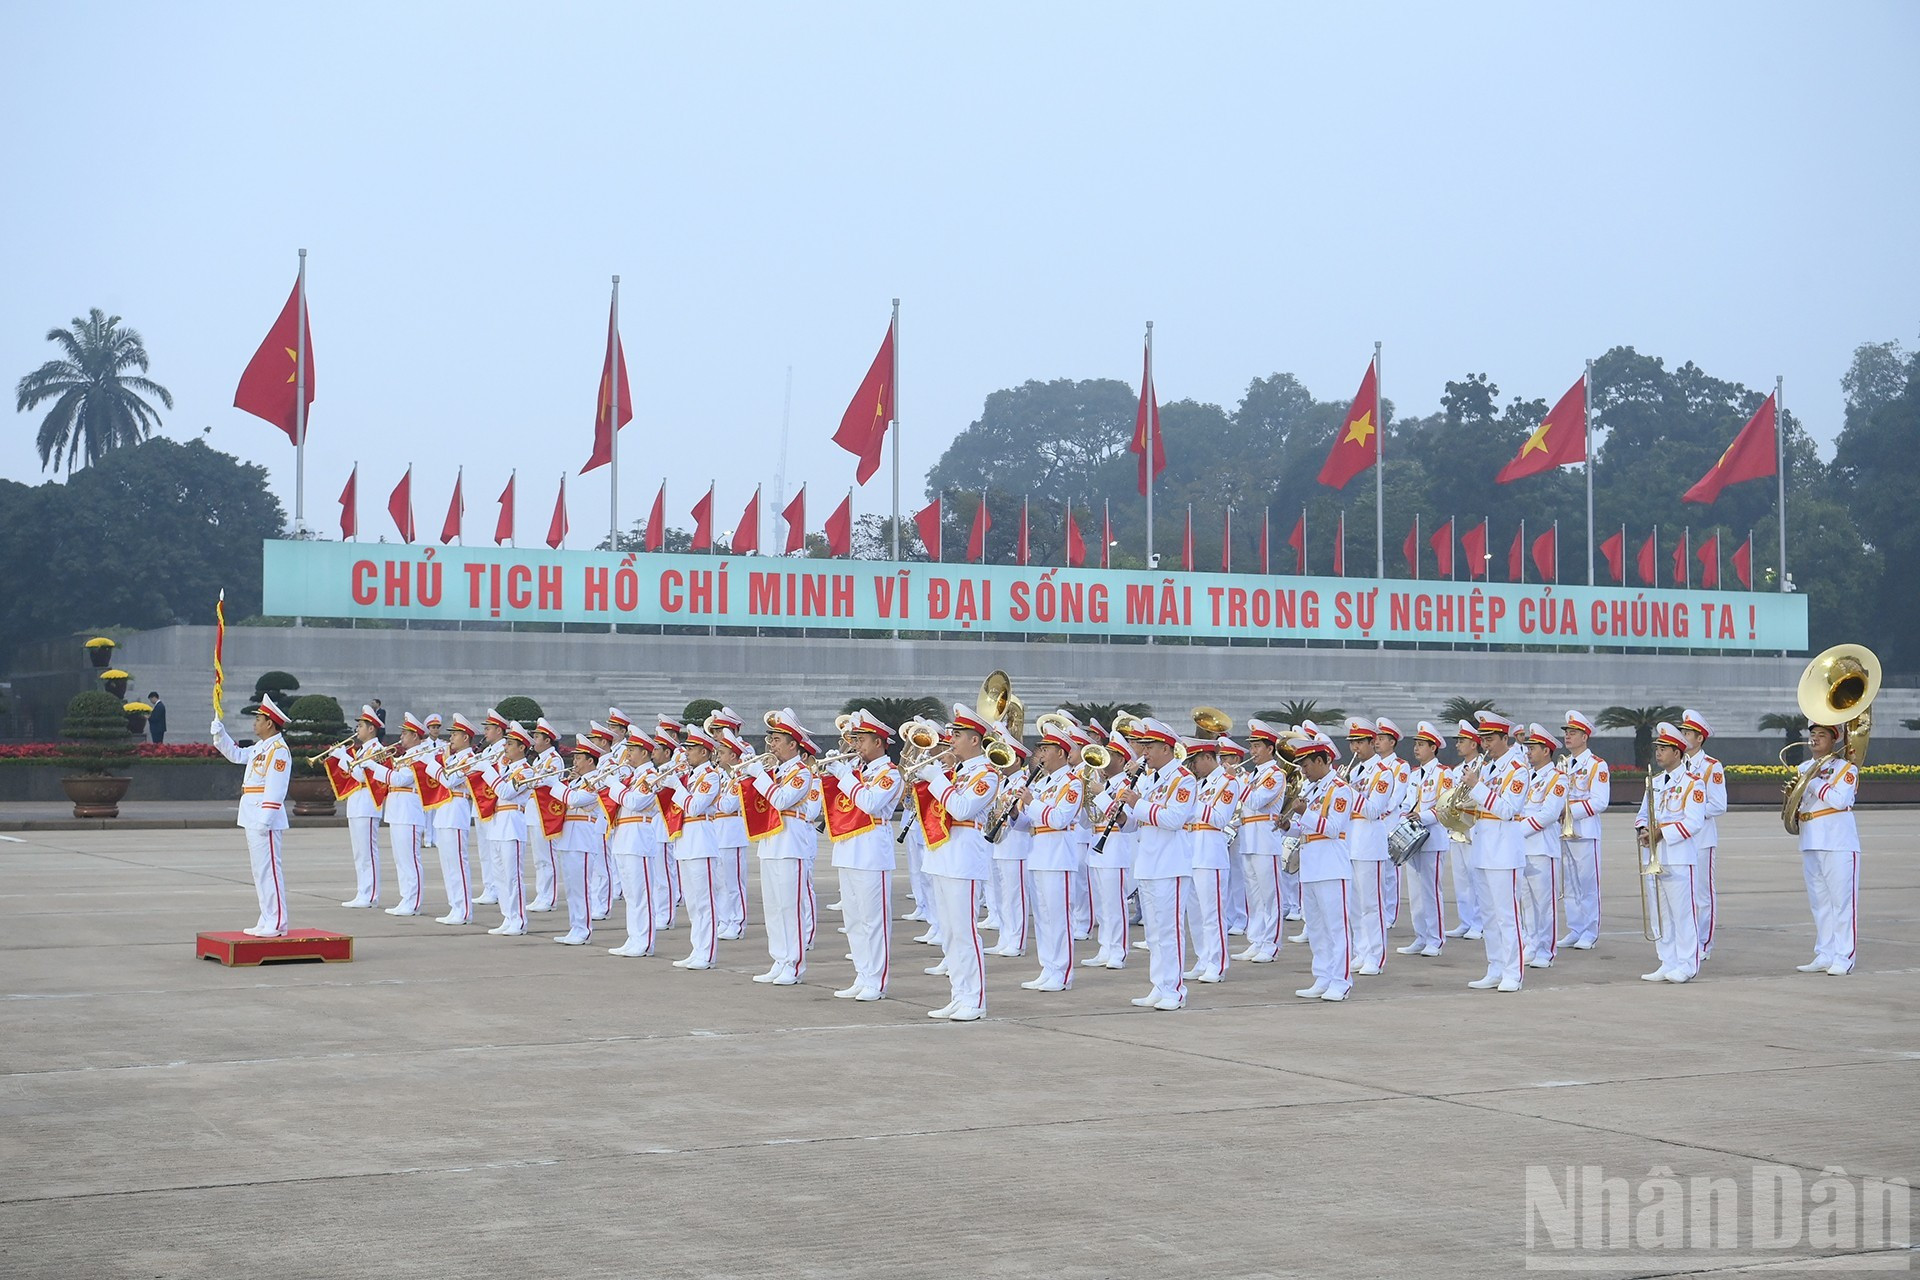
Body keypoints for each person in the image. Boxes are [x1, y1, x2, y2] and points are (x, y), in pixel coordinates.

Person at [913, 704, 1002, 1021]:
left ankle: (974, 1000)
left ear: (975, 740)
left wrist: (937, 779)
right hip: (942, 857)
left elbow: (962, 809)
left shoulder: (987, 774)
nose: (951, 739)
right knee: (949, 933)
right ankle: (958, 994)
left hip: (964, 861)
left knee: (965, 932)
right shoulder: (957, 773)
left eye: (959, 735)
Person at [1112, 718, 1197, 1011]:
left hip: (1170, 865)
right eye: (1143, 746)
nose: (1143, 751)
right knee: (1154, 934)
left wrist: (1138, 804)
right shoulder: (1149, 779)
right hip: (1148, 863)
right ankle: (1159, 985)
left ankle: (1174, 989)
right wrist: (1123, 816)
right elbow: (1137, 823)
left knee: (1170, 930)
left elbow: (1173, 819)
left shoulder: (1183, 778)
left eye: (1149, 746)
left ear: (1165, 747)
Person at [823, 711, 904, 1001]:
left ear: (880, 742)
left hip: (871, 850)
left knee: (874, 920)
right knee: (854, 919)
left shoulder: (889, 773)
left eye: (862, 739)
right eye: (854, 739)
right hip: (848, 848)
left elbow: (869, 802)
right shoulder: (858, 770)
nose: (856, 745)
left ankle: (877, 980)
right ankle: (862, 974)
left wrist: (844, 775)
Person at [1279, 724, 1355, 1001]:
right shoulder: (1311, 789)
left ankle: (1341, 980)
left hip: (1332, 864)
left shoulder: (1340, 790)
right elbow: (1304, 827)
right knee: (1317, 926)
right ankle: (1322, 976)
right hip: (1311, 863)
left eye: (1306, 764)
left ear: (1322, 761)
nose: (1303, 770)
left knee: (1336, 927)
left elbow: (1334, 828)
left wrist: (1305, 813)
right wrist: (1288, 825)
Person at [744, 710, 817, 984]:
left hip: (790, 844)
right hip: (771, 843)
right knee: (773, 907)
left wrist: (759, 778)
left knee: (790, 907)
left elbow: (783, 800)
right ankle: (779, 958)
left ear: (792, 744)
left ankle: (794, 964)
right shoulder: (775, 771)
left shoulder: (801, 772)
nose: (771, 745)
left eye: (776, 739)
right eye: (771, 739)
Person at [211, 695, 293, 937]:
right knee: (260, 870)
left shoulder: (278, 750)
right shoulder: (261, 747)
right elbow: (236, 755)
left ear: (270, 723)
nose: (254, 724)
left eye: (258, 719)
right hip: (252, 813)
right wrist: (220, 735)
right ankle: (267, 916)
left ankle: (277, 922)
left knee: (269, 870)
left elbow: (276, 788)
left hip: (264, 816)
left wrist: (265, 819)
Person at [1014, 723, 1085, 992]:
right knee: (1043, 917)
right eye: (1041, 749)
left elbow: (1058, 819)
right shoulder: (1043, 783)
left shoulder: (1072, 783)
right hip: (1038, 854)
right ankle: (1048, 967)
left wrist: (1031, 802)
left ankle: (1062, 972)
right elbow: (1029, 823)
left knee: (1059, 917)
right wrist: (1014, 816)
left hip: (1058, 857)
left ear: (1061, 752)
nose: (1041, 754)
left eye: (1047, 749)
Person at [1634, 723, 1705, 983]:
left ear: (1677, 753)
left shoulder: (1693, 784)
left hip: (1678, 856)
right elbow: (1642, 814)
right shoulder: (1653, 783)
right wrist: (1643, 829)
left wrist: (1662, 832)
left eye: (1664, 749)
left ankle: (1687, 964)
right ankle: (1667, 960)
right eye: (1657, 748)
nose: (1658, 753)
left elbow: (1694, 821)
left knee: (1682, 913)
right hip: (1655, 855)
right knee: (1660, 912)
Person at [1792, 721, 1862, 976]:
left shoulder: (1847, 769)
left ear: (1834, 739)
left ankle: (1844, 956)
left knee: (1842, 902)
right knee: (1819, 902)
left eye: (1822, 735)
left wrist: (1812, 782)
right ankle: (1825, 952)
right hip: (1810, 839)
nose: (1815, 739)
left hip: (1838, 841)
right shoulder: (1802, 768)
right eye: (1813, 734)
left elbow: (1840, 800)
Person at [1467, 711, 1528, 992]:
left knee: (1507, 915)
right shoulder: (1488, 768)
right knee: (1488, 914)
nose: (1486, 745)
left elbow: (1507, 810)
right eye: (1483, 740)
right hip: (1482, 847)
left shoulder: (1518, 769)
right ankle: (1495, 967)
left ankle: (1513, 972)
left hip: (1504, 851)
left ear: (1505, 738)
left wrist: (1476, 787)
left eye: (1490, 739)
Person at [1181, 735, 1242, 985]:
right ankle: (1203, 958)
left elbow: (1219, 818)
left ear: (1207, 757)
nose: (1192, 767)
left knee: (1212, 913)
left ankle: (1217, 963)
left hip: (1211, 852)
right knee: (1194, 913)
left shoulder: (1228, 782)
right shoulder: (1200, 784)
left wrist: (1192, 802)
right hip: (1192, 850)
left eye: (1194, 761)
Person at [358, 713, 431, 918]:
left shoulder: (420, 755)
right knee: (401, 859)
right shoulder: (405, 756)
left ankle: (413, 902)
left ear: (415, 736)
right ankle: (405, 898)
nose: (401, 737)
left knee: (410, 859)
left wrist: (374, 766)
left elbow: (400, 779)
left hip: (410, 810)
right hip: (397, 810)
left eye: (404, 734)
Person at [667, 725, 727, 968]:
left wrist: (677, 788)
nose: (687, 753)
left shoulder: (710, 776)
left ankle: (707, 954)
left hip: (702, 842)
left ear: (704, 752)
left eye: (691, 749)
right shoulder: (690, 776)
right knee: (692, 903)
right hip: (685, 843)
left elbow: (694, 807)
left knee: (705, 902)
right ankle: (697, 949)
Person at [604, 727, 665, 957]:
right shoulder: (633, 777)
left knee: (642, 893)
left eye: (632, 750)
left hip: (639, 835)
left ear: (644, 752)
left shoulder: (649, 776)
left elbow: (634, 801)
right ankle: (633, 937)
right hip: (625, 835)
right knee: (630, 893)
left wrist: (614, 785)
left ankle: (645, 942)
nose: (627, 753)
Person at [1394, 721, 1450, 958]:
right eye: (1415, 744)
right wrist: (1404, 815)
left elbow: (1447, 806)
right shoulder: (1415, 774)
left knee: (1431, 890)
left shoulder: (1444, 773)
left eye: (1421, 745)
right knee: (1416, 891)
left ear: (1433, 747)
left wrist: (1423, 816)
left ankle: (1436, 939)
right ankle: (1421, 936)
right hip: (1412, 838)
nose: (1416, 749)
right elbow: (1406, 801)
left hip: (1433, 837)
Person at [1556, 710, 1610, 951]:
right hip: (1563, 831)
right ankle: (1575, 928)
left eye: (1573, 732)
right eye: (1567, 732)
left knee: (1587, 884)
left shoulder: (1596, 765)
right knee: (1570, 884)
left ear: (1585, 736)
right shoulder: (1563, 764)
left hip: (1585, 831)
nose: (1568, 736)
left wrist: (1568, 812)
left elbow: (1600, 801)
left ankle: (1590, 930)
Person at [1516, 724, 1569, 968]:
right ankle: (1531, 944)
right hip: (1522, 847)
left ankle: (1546, 950)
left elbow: (1548, 813)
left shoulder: (1557, 778)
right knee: (1526, 901)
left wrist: (1517, 830)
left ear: (1546, 751)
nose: (1528, 752)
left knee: (1543, 903)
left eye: (1533, 748)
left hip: (1542, 848)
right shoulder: (1527, 775)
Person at [1342, 717, 1392, 976]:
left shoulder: (1383, 772)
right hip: (1351, 842)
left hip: (1370, 844)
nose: (1355, 748)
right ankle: (1361, 951)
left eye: (1360, 742)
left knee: (1372, 904)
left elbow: (1374, 810)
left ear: (1373, 742)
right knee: (1354, 904)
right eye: (1353, 743)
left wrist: (1348, 792)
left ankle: (1376, 955)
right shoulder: (1354, 772)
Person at [1084, 732, 1137, 969]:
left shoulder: (1126, 784)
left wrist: (1100, 794)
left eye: (1111, 755)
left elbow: (1121, 815)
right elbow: (1087, 821)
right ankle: (1105, 947)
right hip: (1096, 846)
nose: (1105, 759)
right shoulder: (1102, 784)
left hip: (1115, 847)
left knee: (1115, 904)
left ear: (1122, 760)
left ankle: (1118, 950)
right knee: (1102, 904)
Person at [327, 706, 387, 908]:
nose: (357, 729)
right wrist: (342, 757)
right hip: (357, 803)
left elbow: (361, 775)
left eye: (360, 726)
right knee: (359, 853)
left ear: (371, 729)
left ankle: (371, 895)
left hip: (368, 805)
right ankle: (363, 891)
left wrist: (343, 757)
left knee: (368, 852)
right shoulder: (362, 750)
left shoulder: (377, 750)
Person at [421, 713, 478, 925]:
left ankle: (464, 911)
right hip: (444, 810)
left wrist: (431, 764)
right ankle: (455, 906)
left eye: (455, 734)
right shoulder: (452, 758)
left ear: (465, 737)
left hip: (456, 809)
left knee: (457, 863)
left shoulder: (469, 758)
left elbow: (451, 780)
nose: (450, 738)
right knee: (447, 863)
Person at [1680, 710, 1727, 961]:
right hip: (1679, 838)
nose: (1683, 737)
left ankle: (1704, 943)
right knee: (1682, 892)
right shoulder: (1677, 765)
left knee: (1702, 894)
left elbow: (1719, 804)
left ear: (1699, 738)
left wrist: (1690, 812)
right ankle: (1687, 939)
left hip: (1701, 838)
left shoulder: (1711, 767)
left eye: (1687, 733)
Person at [984, 741, 1033, 958]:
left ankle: (1017, 941)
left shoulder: (1024, 782)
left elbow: (1025, 814)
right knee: (1002, 895)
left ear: (1018, 760)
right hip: (999, 842)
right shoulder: (1002, 782)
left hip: (1016, 844)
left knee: (1016, 895)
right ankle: (1005, 937)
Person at [1442, 720, 1486, 941]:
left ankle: (1479, 923)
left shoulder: (1482, 767)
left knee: (1475, 877)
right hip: (1458, 830)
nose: (1458, 745)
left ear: (1474, 744)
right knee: (1460, 879)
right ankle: (1465, 921)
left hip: (1474, 829)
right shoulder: (1456, 770)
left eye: (1462, 741)